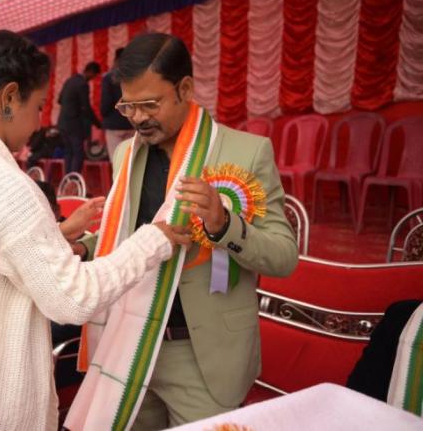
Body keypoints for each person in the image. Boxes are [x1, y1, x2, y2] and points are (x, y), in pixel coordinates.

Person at [0, 30, 192, 431]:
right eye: (39, 106)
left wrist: (55, 234)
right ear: (9, 98)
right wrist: (153, 239)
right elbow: (73, 298)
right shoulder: (1, 181)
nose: (40, 121)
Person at [65, 33, 298, 430]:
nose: (138, 118)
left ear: (185, 89)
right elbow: (128, 234)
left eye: (150, 104)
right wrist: (86, 247)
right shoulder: (126, 154)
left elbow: (284, 256)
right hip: (130, 342)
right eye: (128, 106)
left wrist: (224, 225)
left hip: (201, 353)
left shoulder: (246, 152)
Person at [57, 61, 101, 173]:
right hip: (74, 124)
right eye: (94, 75)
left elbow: (59, 100)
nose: (93, 78)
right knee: (78, 153)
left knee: (68, 151)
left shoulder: (70, 80)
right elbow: (86, 107)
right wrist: (98, 123)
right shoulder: (82, 84)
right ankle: (74, 178)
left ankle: (68, 178)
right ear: (91, 72)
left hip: (62, 123)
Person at [101, 48, 134, 158]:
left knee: (116, 160)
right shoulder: (133, 76)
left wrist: (103, 114)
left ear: (116, 59)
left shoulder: (109, 78)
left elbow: (106, 103)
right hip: (130, 123)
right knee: (129, 160)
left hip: (113, 125)